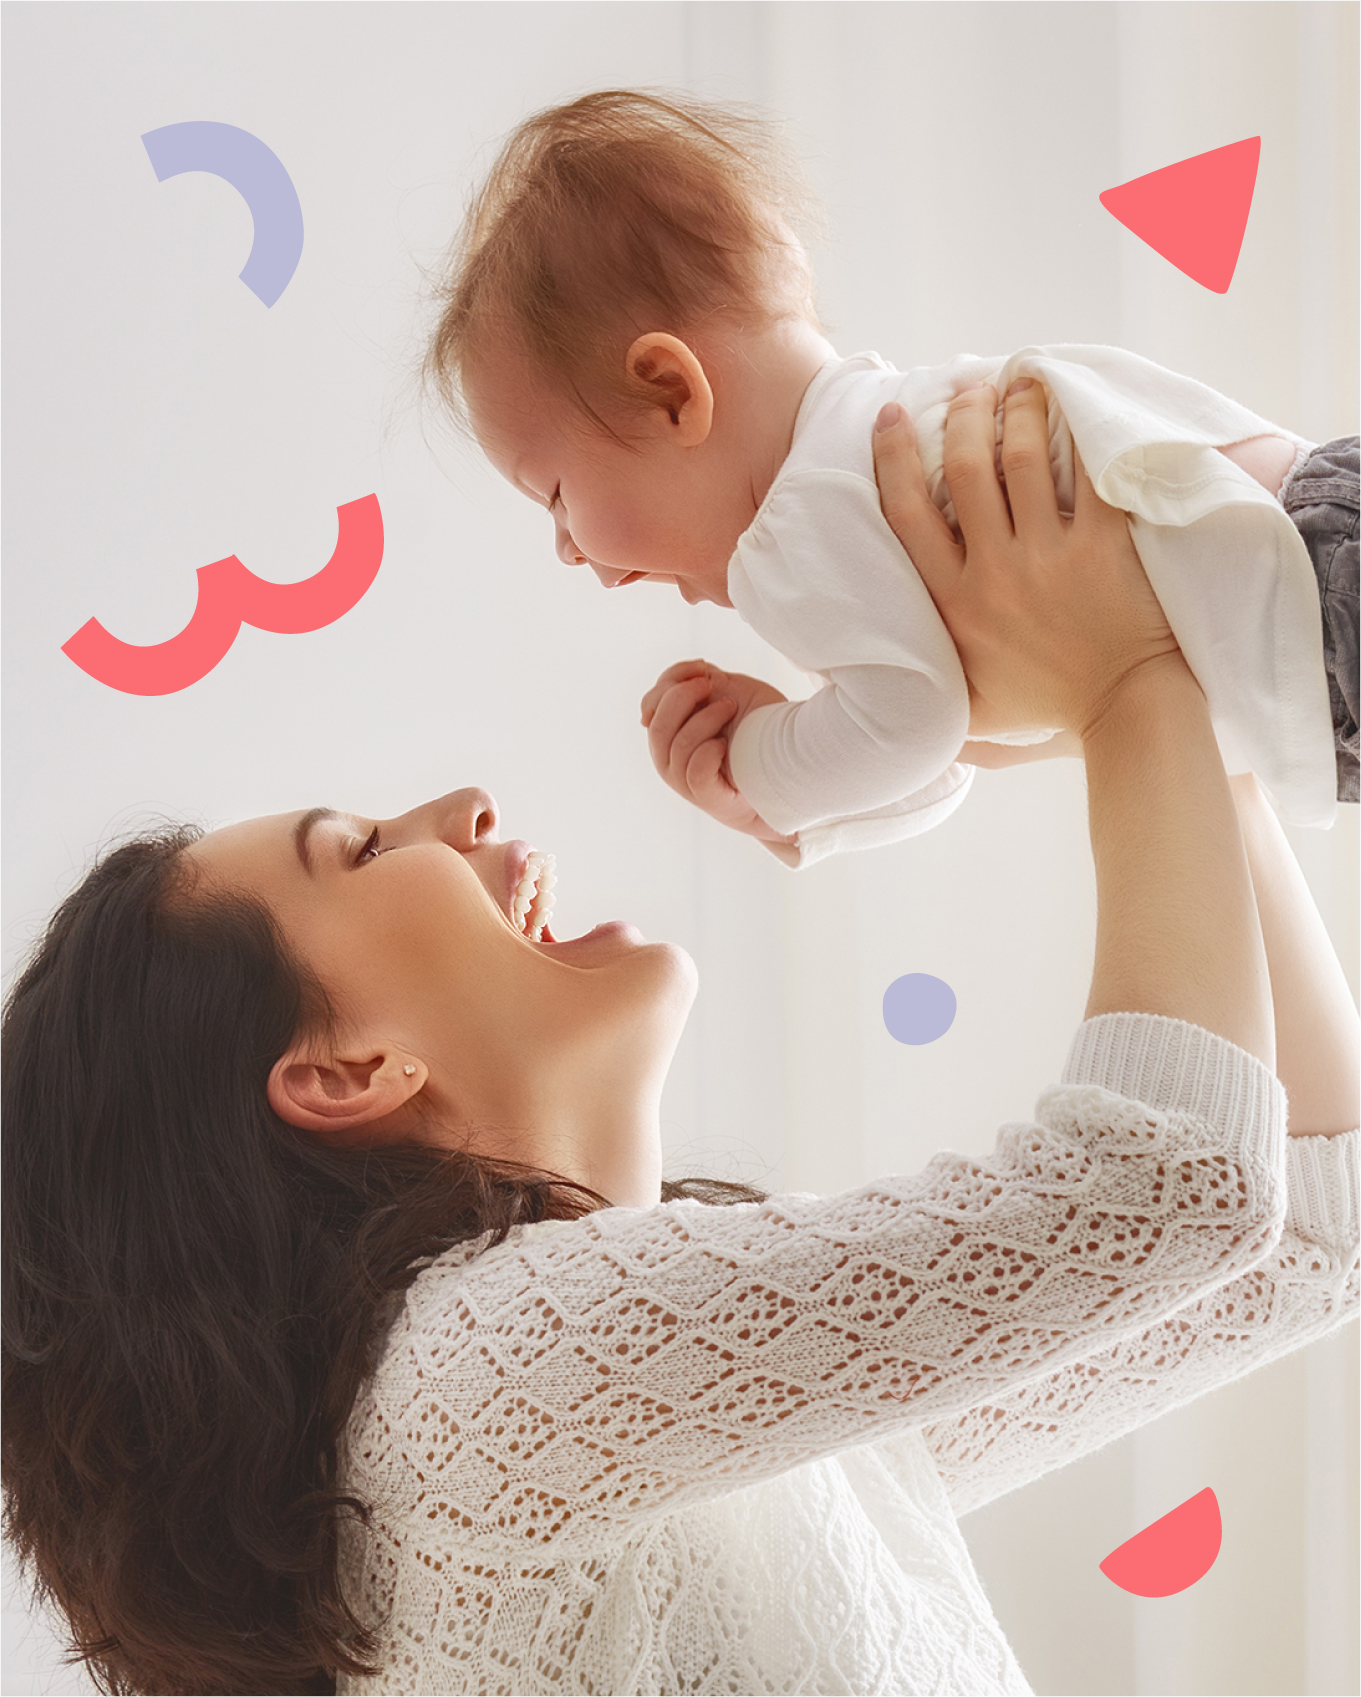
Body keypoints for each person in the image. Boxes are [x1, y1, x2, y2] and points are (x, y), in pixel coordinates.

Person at [1, 389, 1359, 1697]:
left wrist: (1176, 695)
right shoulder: (478, 1386)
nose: (460, 805)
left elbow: (1301, 1238)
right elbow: (1164, 1197)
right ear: (345, 1074)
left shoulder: (626, 1411)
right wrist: (1122, 676)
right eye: (357, 850)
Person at [436, 87, 1361, 867]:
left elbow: (911, 730)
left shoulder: (795, 532)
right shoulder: (876, 432)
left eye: (555, 495)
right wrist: (811, 769)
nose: (566, 549)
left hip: (1314, 614)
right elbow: (941, 747)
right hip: (1313, 522)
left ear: (673, 391)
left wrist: (758, 767)